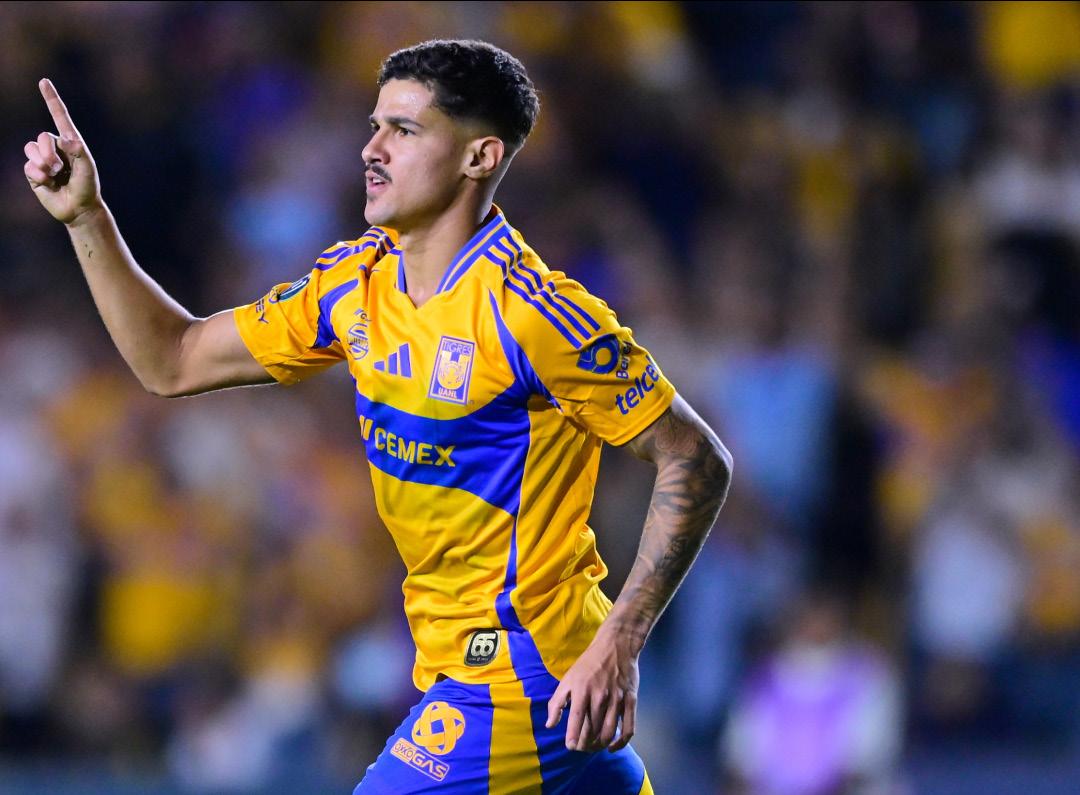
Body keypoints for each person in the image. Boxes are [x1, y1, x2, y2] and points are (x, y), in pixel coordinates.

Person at [24, 39, 732, 794]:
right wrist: (86, 217)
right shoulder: (355, 284)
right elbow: (175, 359)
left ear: (479, 156)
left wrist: (622, 640)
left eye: (405, 129)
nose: (372, 148)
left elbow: (695, 457)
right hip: (492, 671)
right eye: (374, 126)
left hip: (521, 674)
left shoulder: (533, 315)